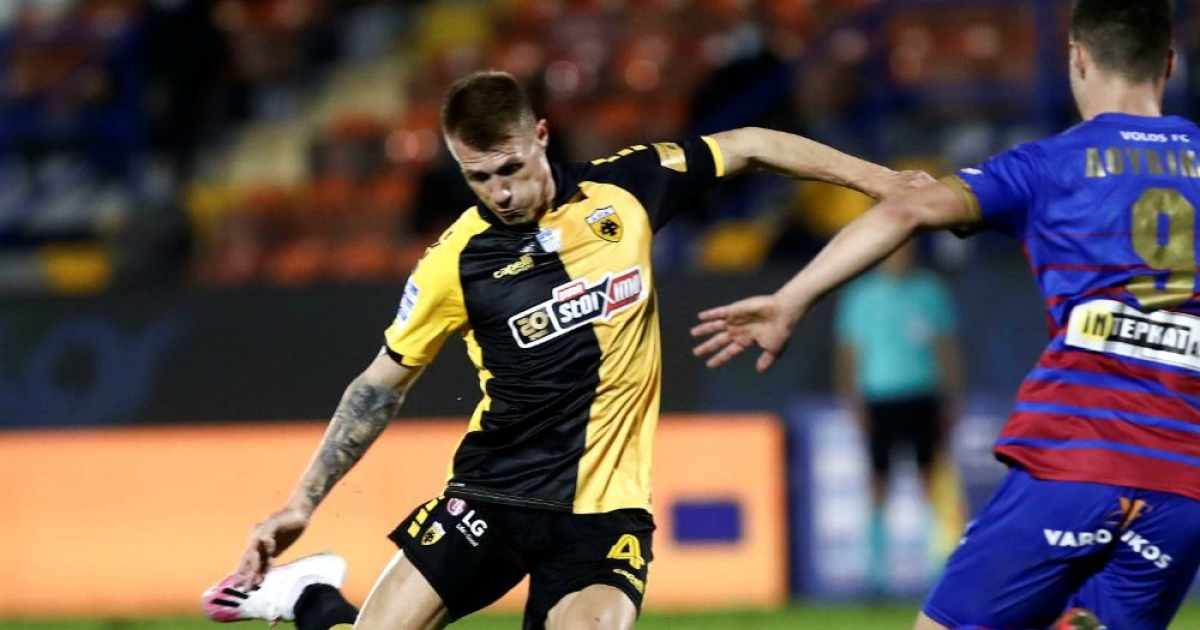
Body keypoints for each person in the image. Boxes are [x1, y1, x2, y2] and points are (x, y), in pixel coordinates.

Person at [201, 69, 928, 630]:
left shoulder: (626, 191)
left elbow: (750, 146)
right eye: (478, 177)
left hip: (605, 515)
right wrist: (300, 503)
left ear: (541, 136)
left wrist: (882, 182)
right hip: (491, 494)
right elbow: (378, 385)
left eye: (510, 168)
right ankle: (309, 594)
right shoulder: (456, 262)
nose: (500, 193)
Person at [692, 1, 1200, 629]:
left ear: (1077, 58)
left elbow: (906, 211)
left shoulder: (1046, 164)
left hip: (1075, 455)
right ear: (1169, 63)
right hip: (1184, 482)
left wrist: (791, 298)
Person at [833, 240, 962, 595]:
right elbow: (849, 353)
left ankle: (939, 568)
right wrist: (853, 402)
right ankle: (876, 574)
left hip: (922, 394)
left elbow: (945, 348)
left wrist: (952, 397)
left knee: (930, 481)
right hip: (879, 397)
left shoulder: (931, 291)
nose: (900, 256)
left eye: (905, 249)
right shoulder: (861, 296)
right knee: (878, 483)